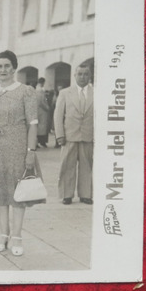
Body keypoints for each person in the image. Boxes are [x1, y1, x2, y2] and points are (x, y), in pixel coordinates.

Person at [0, 50, 45, 256]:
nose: (3, 70)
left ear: (14, 68)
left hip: (19, 146)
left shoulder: (26, 91)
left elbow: (33, 125)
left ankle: (17, 236)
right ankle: (3, 235)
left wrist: (30, 152)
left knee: (18, 193)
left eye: (7, 65)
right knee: (0, 191)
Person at [54, 65, 94, 205]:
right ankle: (67, 194)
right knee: (67, 165)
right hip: (69, 135)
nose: (83, 77)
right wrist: (59, 134)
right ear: (75, 75)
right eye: (80, 74)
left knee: (87, 165)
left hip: (88, 136)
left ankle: (86, 194)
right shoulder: (65, 93)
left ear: (90, 76)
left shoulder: (96, 93)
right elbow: (58, 115)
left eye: (86, 74)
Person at [36, 77, 50, 147]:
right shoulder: (40, 90)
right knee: (42, 127)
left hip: (38, 110)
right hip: (42, 111)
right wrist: (47, 108)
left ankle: (39, 142)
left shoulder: (36, 89)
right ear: (42, 82)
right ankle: (42, 141)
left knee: (39, 126)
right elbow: (41, 101)